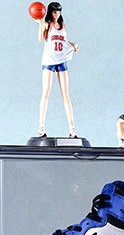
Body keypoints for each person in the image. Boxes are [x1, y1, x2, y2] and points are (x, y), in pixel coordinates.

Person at [37, 2, 80, 138]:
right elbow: (40, 39)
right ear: (50, 12)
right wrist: (40, 22)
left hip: (61, 59)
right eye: (55, 12)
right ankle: (41, 127)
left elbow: (63, 41)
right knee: (45, 93)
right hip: (49, 60)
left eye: (59, 12)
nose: (57, 14)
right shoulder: (47, 25)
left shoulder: (62, 26)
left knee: (66, 95)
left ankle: (72, 129)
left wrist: (72, 44)